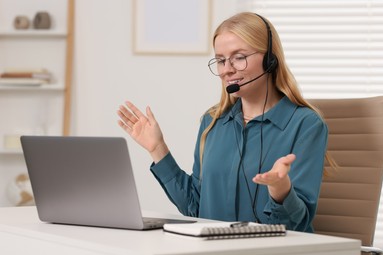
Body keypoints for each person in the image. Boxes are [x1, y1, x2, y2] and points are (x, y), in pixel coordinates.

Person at [117, 12, 328, 232]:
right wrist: (157, 149)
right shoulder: (212, 123)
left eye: (239, 57)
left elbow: (297, 226)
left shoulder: (306, 125)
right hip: (214, 250)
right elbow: (195, 208)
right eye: (220, 60)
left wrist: (280, 191)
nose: (227, 69)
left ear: (270, 60)